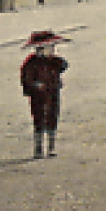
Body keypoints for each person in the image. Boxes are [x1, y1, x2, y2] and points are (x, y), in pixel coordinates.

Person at [19, 30, 68, 158]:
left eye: (52, 48)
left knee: (53, 116)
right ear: (39, 49)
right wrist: (35, 85)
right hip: (38, 95)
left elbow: (64, 65)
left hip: (52, 91)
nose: (51, 50)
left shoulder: (53, 61)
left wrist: (54, 59)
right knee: (39, 118)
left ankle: (51, 147)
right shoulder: (31, 62)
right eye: (49, 48)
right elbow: (26, 78)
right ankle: (38, 148)